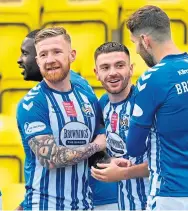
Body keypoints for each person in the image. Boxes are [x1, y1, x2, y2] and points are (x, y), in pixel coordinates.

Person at [122, 5, 188, 210]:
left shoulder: (152, 78)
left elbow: (134, 147)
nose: (136, 49)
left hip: (170, 194)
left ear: (145, 41)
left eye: (135, 43)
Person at [16, 29, 118, 210]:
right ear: (38, 60)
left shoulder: (86, 97)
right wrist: (95, 145)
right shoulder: (31, 104)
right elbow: (51, 158)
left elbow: (101, 146)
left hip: (85, 205)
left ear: (72, 55)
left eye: (57, 52)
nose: (50, 59)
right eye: (43, 54)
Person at [91, 42, 149, 210]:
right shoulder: (102, 104)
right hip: (125, 204)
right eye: (105, 67)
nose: (113, 73)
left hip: (155, 203)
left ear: (131, 69)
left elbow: (166, 161)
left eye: (119, 65)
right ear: (96, 73)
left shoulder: (146, 102)